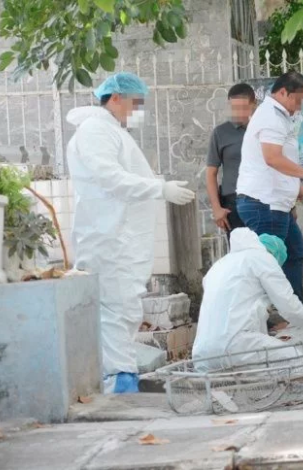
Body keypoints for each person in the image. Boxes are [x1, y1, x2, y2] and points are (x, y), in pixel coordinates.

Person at [66, 72, 195, 394]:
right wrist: (160, 189)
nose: (139, 110)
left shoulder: (110, 131)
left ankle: (121, 375)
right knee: (116, 310)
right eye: (135, 103)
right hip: (109, 236)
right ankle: (119, 380)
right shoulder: (95, 130)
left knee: (123, 308)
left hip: (118, 236)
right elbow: (111, 178)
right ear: (115, 98)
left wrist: (157, 188)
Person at [236, 71, 303, 301]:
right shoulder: (270, 116)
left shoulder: (280, 117)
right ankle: (265, 313)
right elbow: (273, 158)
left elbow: (283, 166)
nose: (299, 107)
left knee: (294, 253)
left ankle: (293, 311)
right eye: (297, 101)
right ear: (283, 92)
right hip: (265, 205)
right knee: (269, 267)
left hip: (276, 205)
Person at [192, 228, 303, 372]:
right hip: (235, 345)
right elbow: (287, 302)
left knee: (243, 380)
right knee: (298, 363)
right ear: (274, 256)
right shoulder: (262, 258)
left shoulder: (219, 265)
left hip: (202, 355)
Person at [206, 83, 256, 238]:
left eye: (243, 107)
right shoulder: (220, 133)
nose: (239, 113)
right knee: (239, 250)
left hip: (262, 200)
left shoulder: (261, 131)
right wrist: (216, 209)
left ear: (253, 105)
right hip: (233, 203)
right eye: (235, 108)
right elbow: (211, 173)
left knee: (265, 249)